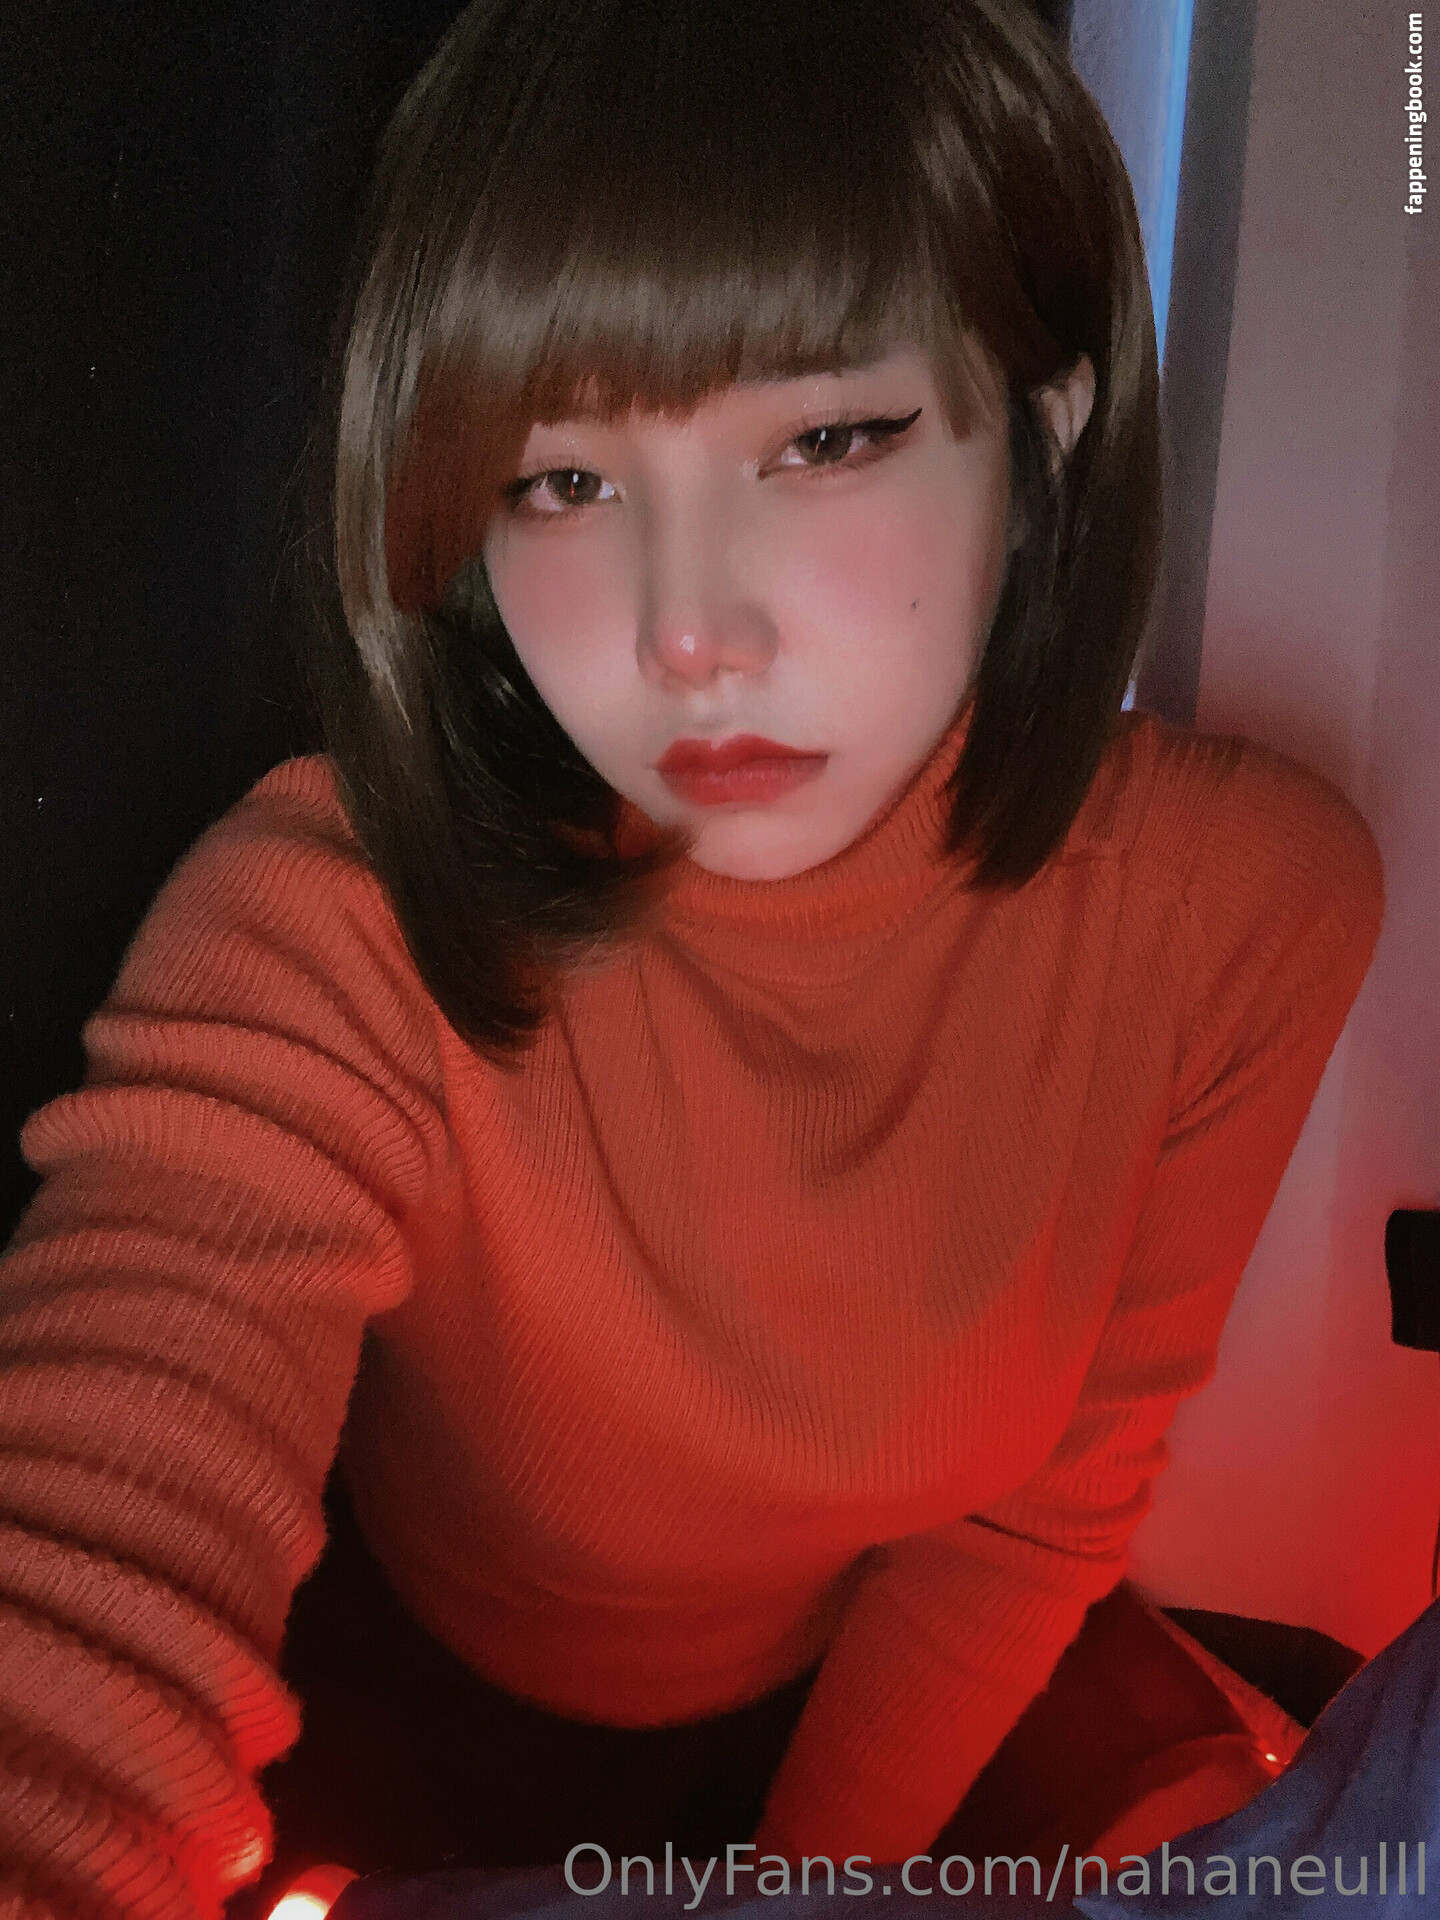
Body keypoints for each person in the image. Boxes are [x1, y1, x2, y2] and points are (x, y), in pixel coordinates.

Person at [0, 2, 1387, 1918]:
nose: (684, 637)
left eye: (822, 438)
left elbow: (1033, 1520)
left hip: (893, 1716)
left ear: (1043, 431)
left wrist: (797, 1892)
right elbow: (77, 1583)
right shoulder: (342, 914)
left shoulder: (1244, 908)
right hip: (394, 1708)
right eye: (562, 481)